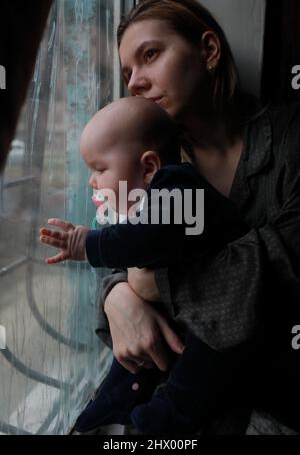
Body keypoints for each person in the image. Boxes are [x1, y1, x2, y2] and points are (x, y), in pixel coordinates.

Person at [94, 0, 300, 435]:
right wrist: (117, 295)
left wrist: (157, 281)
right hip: (179, 411)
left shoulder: (291, 139)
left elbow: (286, 267)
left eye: (149, 55)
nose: (134, 83)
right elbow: (117, 247)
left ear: (208, 50)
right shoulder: (146, 164)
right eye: (127, 72)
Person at [40, 96, 248, 434]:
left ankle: (165, 420)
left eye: (100, 169)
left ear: (148, 167)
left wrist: (86, 243)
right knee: (142, 343)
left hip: (229, 315)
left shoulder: (177, 184)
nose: (92, 181)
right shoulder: (154, 201)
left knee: (202, 367)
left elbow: (142, 239)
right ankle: (118, 395)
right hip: (193, 309)